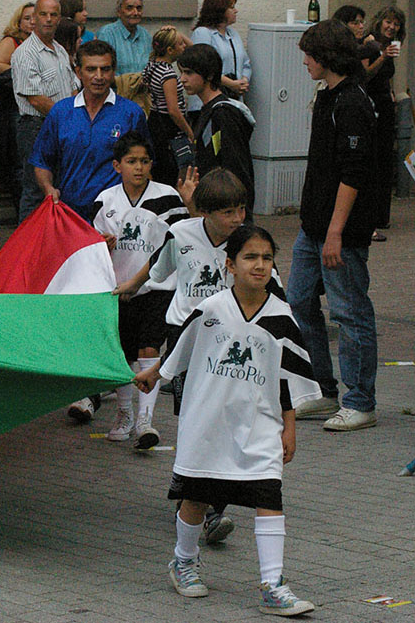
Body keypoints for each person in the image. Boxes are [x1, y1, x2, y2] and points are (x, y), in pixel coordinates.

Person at [135, 224, 318, 617]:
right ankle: (183, 561)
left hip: (259, 426)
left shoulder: (282, 318)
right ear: (229, 265)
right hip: (207, 422)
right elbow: (180, 352)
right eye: (250, 257)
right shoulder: (210, 310)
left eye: (266, 258)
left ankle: (272, 585)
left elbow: (286, 379)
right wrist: (155, 374)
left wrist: (289, 426)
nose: (259, 265)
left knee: (269, 495)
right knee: (196, 496)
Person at [115, 168, 251, 545]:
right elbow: (157, 266)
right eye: (228, 212)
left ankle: (211, 508)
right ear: (205, 211)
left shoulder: (248, 242)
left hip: (228, 341)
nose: (237, 218)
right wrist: (131, 285)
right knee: (195, 421)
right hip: (185, 338)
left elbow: (268, 286)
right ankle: (191, 499)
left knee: (223, 421)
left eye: (241, 209)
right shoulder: (181, 234)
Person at [287, 19, 378, 432]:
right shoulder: (327, 96)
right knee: (299, 300)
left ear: (326, 56)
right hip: (313, 227)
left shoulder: (353, 103)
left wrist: (336, 232)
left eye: (309, 54)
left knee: (349, 311)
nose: (304, 61)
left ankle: (360, 400)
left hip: (339, 231)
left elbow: (353, 173)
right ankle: (323, 390)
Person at [89, 132, 188, 444]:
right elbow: (89, 245)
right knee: (122, 354)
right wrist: (101, 244)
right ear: (117, 165)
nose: (139, 167)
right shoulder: (105, 200)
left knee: (149, 349)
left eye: (145, 161)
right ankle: (124, 412)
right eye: (131, 161)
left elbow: (181, 239)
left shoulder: (168, 197)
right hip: (120, 289)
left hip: (158, 288)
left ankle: (146, 419)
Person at [29, 39, 149, 221]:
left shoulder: (131, 113)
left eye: (105, 69)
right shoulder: (60, 112)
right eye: (91, 69)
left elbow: (146, 163)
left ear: (113, 72)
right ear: (78, 72)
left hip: (117, 215)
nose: (99, 76)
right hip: (70, 214)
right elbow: (42, 160)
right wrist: (48, 188)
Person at [11, 0, 79, 222]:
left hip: (62, 125)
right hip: (36, 127)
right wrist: (69, 118)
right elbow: (35, 99)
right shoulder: (25, 53)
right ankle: (26, 241)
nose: (48, 19)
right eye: (43, 14)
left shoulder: (59, 50)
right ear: (34, 18)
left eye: (53, 15)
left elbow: (73, 88)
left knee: (59, 186)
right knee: (35, 189)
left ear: (59, 18)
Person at [178, 44, 255, 215]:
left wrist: (239, 214)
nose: (182, 79)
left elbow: (236, 166)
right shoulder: (208, 110)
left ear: (209, 75)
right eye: (182, 72)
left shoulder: (223, 113)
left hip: (227, 210)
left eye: (189, 73)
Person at [361, 7, 406, 242]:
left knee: (385, 157)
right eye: (388, 22)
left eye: (396, 24)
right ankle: (370, 214)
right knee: (373, 158)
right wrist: (383, 56)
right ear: (380, 22)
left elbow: (385, 76)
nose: (392, 27)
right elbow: (365, 75)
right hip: (371, 104)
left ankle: (381, 215)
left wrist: (390, 92)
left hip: (385, 104)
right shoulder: (370, 44)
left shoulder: (390, 45)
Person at [0, 2, 34, 214]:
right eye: (27, 18)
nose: (32, 22)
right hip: (13, 110)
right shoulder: (11, 41)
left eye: (35, 17)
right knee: (18, 163)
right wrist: (25, 71)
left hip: (35, 109)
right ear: (19, 21)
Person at [142, 26, 194, 186]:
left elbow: (193, 50)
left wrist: (177, 32)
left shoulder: (152, 65)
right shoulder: (168, 74)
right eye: (180, 44)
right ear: (170, 50)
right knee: (171, 169)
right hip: (168, 127)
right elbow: (173, 110)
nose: (184, 46)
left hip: (154, 119)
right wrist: (189, 132)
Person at [188, 0, 251, 117]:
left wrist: (243, 81)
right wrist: (231, 84)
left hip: (232, 102)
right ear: (220, 11)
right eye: (232, 8)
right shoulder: (203, 33)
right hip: (207, 104)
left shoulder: (233, 34)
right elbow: (203, 66)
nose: (236, 11)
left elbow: (246, 63)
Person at [96, 0, 152, 75]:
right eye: (129, 8)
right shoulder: (107, 34)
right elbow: (102, 69)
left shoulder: (145, 35)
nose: (135, 13)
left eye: (139, 8)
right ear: (119, 12)